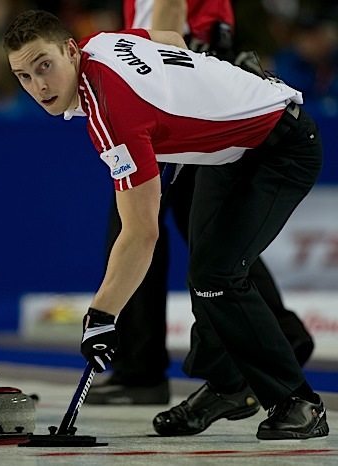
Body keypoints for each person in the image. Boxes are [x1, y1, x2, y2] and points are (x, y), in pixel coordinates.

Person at [4, 10, 328, 440]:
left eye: (44, 66)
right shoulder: (101, 42)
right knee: (208, 268)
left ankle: (299, 402)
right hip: (232, 148)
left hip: (281, 149)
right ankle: (229, 386)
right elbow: (171, 37)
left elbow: (141, 234)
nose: (38, 86)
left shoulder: (110, 112)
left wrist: (102, 316)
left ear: (69, 49)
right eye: (23, 76)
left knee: (217, 274)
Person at [87, 0, 315, 406]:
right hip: (178, 87)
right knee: (212, 242)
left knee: (148, 233)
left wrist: (165, 79)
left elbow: (171, 12)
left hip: (175, 95)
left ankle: (144, 370)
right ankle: (266, 347)